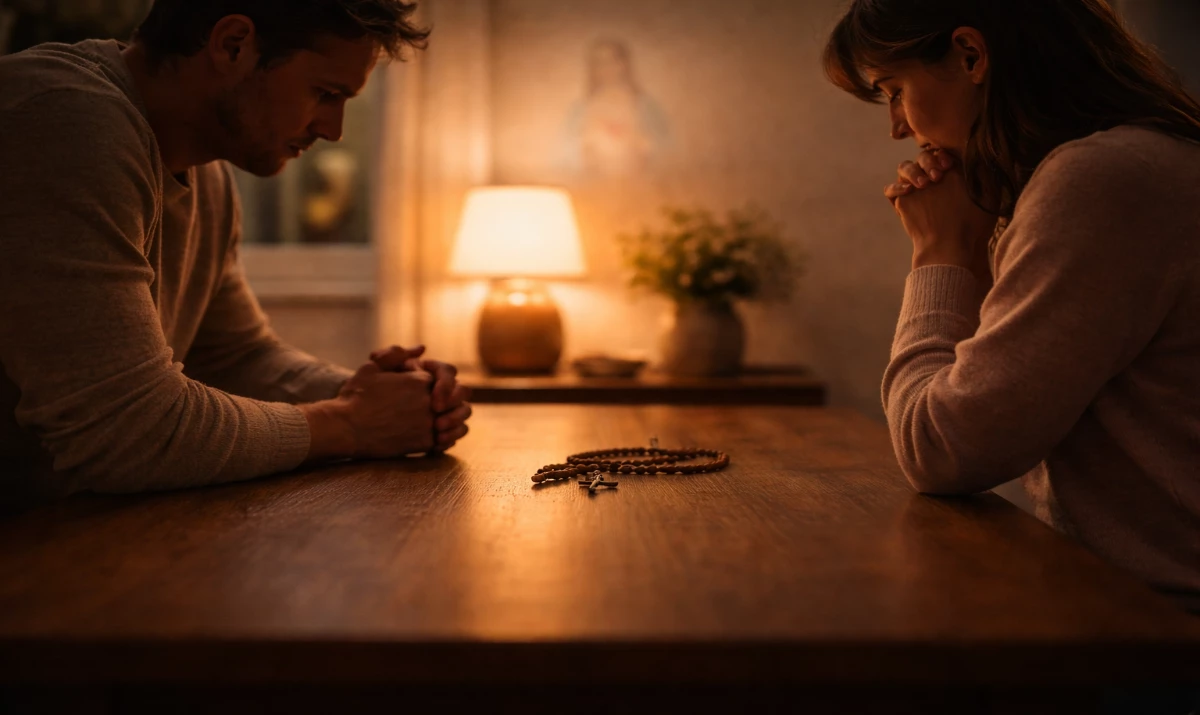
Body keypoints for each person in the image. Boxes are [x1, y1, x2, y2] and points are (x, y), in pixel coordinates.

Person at [0, 0, 472, 506]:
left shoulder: (209, 175)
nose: (332, 130)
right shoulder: (60, 118)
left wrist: (384, 396)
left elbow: (234, 357)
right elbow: (123, 429)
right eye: (326, 93)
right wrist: (352, 423)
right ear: (232, 45)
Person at [823, 0, 1200, 619]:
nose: (897, 127)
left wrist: (940, 253)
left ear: (970, 55)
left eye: (894, 90)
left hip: (1161, 628)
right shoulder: (1137, 161)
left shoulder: (1102, 178)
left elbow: (941, 450)